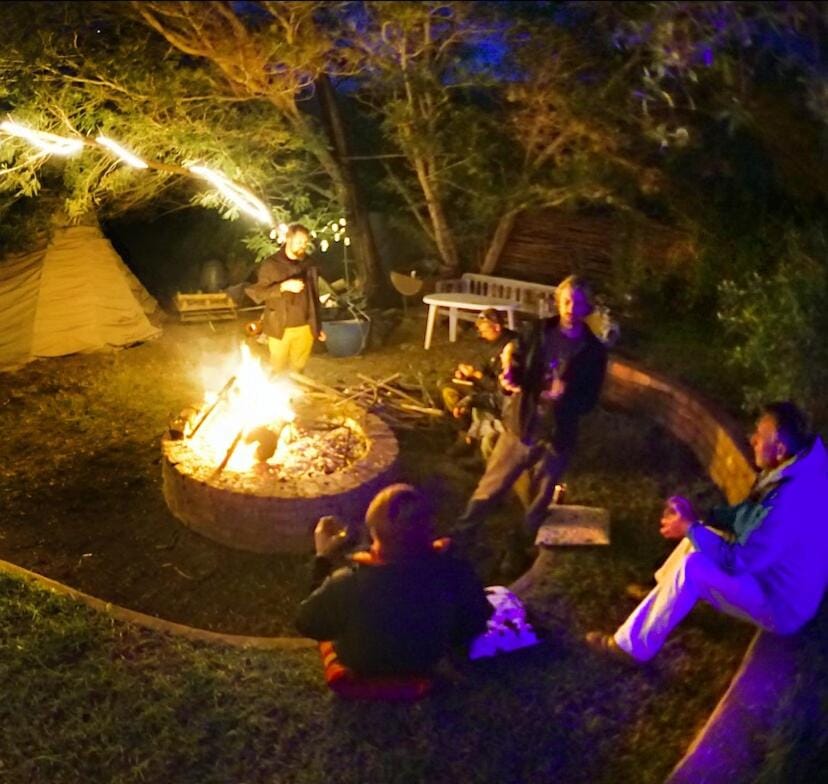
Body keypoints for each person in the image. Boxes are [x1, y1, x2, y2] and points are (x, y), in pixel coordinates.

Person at [586, 401, 828, 663]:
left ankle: (630, 648)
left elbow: (737, 561)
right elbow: (747, 516)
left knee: (695, 566)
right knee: (701, 537)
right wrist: (702, 516)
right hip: (769, 573)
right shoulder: (793, 468)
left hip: (781, 602)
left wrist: (690, 526)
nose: (752, 439)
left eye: (760, 436)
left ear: (780, 449)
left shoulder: (789, 500)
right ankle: (663, 593)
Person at [454, 275, 607, 564]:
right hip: (521, 423)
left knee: (538, 500)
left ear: (588, 308)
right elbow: (517, 367)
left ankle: (519, 548)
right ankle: (460, 537)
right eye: (566, 300)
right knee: (491, 486)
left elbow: (589, 401)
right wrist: (508, 376)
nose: (571, 308)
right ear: (558, 302)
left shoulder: (594, 352)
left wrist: (567, 395)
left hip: (557, 434)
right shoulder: (537, 331)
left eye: (579, 302)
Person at [295, 484, 492, 678]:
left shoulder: (346, 582)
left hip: (361, 665)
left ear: (374, 533)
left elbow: (308, 624)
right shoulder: (455, 572)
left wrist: (322, 557)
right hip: (428, 661)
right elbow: (476, 621)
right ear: (431, 529)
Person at [245, 224, 324, 373]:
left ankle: (297, 395)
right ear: (288, 239)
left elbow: (314, 295)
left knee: (298, 371)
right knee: (278, 370)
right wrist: (282, 287)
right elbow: (257, 292)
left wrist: (317, 325)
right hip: (280, 328)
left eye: (305, 242)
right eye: (299, 242)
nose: (303, 246)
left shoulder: (309, 263)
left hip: (305, 328)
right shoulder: (271, 265)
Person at [441, 309, 517, 459]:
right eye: (480, 329)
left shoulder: (510, 348)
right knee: (447, 388)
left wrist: (476, 375)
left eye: (484, 329)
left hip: (495, 394)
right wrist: (464, 372)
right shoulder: (486, 341)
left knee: (475, 403)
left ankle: (473, 441)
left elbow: (500, 387)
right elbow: (479, 363)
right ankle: (463, 432)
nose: (481, 333)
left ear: (497, 327)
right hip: (477, 384)